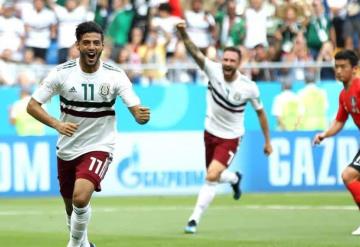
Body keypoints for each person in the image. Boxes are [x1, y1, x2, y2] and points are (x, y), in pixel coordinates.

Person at [26, 21, 150, 247]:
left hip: (99, 146)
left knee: (80, 198)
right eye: (86, 43)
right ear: (78, 46)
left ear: (103, 46)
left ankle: (73, 245)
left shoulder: (115, 75)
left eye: (96, 43)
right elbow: (32, 106)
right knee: (69, 208)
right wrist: (56, 124)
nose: (91, 47)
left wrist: (139, 115)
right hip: (67, 148)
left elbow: (135, 108)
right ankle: (84, 243)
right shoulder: (61, 74)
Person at [176, 22, 273, 234]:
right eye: (225, 59)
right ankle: (234, 178)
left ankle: (193, 219)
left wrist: (267, 141)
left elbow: (261, 113)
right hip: (209, 131)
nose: (227, 63)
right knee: (215, 175)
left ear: (240, 63)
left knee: (211, 176)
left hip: (231, 136)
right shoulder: (213, 69)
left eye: (232, 60)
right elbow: (194, 52)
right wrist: (183, 32)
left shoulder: (249, 87)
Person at [313, 49, 360, 236]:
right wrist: (324, 134)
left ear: (355, 69)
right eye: (336, 67)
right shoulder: (344, 94)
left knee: (349, 175)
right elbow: (340, 121)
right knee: (350, 177)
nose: (338, 71)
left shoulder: (358, 87)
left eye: (343, 67)